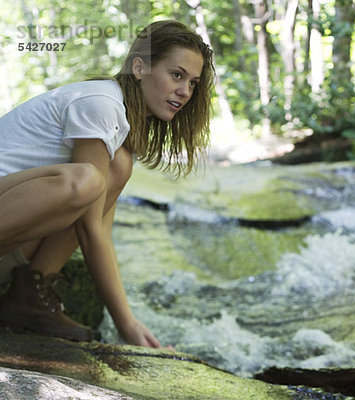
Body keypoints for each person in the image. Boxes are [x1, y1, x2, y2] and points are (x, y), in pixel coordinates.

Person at [0, 20, 214, 347]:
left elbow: (99, 229)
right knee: (86, 180)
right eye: (177, 75)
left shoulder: (119, 136)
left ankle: (31, 290)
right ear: (139, 67)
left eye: (193, 83)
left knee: (115, 168)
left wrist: (129, 323)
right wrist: (125, 322)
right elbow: (88, 227)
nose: (185, 91)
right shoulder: (101, 102)